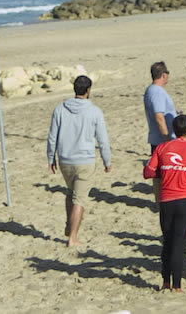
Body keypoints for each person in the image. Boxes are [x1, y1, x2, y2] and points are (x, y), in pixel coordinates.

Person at [143, 115, 186, 293]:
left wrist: (164, 169)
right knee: (179, 242)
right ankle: (177, 286)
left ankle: (165, 281)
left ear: (174, 130)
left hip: (166, 200)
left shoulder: (162, 148)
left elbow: (148, 172)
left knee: (168, 241)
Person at [47, 75, 111, 247]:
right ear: (88, 90)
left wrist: (50, 157)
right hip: (85, 160)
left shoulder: (60, 109)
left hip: (65, 159)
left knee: (71, 192)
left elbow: (52, 137)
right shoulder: (94, 111)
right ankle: (73, 237)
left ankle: (69, 225)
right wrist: (107, 160)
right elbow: (102, 139)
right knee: (79, 199)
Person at [144, 61, 177, 204]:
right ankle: (163, 201)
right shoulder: (156, 91)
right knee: (164, 173)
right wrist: (167, 138)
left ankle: (160, 201)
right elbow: (159, 116)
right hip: (162, 139)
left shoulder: (152, 90)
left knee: (158, 174)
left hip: (158, 138)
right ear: (164, 75)